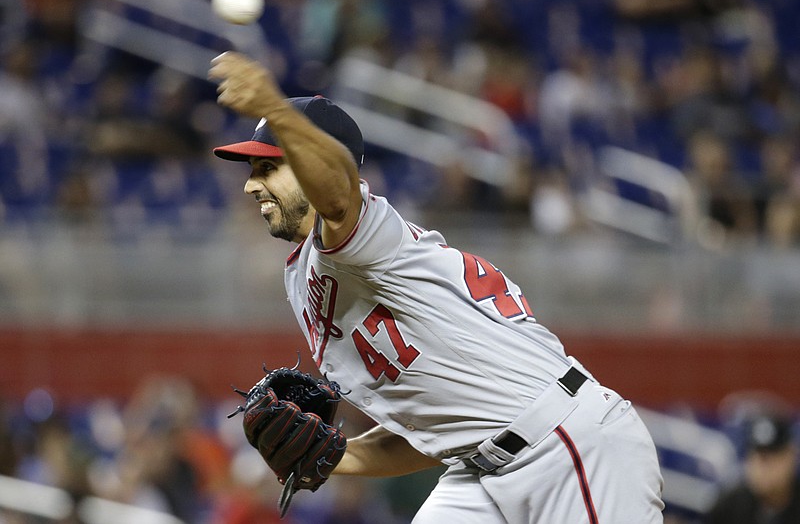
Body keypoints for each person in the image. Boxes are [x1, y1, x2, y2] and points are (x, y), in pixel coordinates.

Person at [208, 51, 665, 523]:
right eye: (251, 171)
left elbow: (338, 194)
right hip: (477, 465)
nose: (251, 186)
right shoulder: (307, 275)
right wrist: (338, 458)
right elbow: (434, 429)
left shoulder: (366, 234)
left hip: (565, 444)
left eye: (268, 168)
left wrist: (278, 109)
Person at [704, 413, 800, 524]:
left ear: (791, 456)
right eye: (757, 457)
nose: (762, 467)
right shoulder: (729, 505)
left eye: (770, 457)